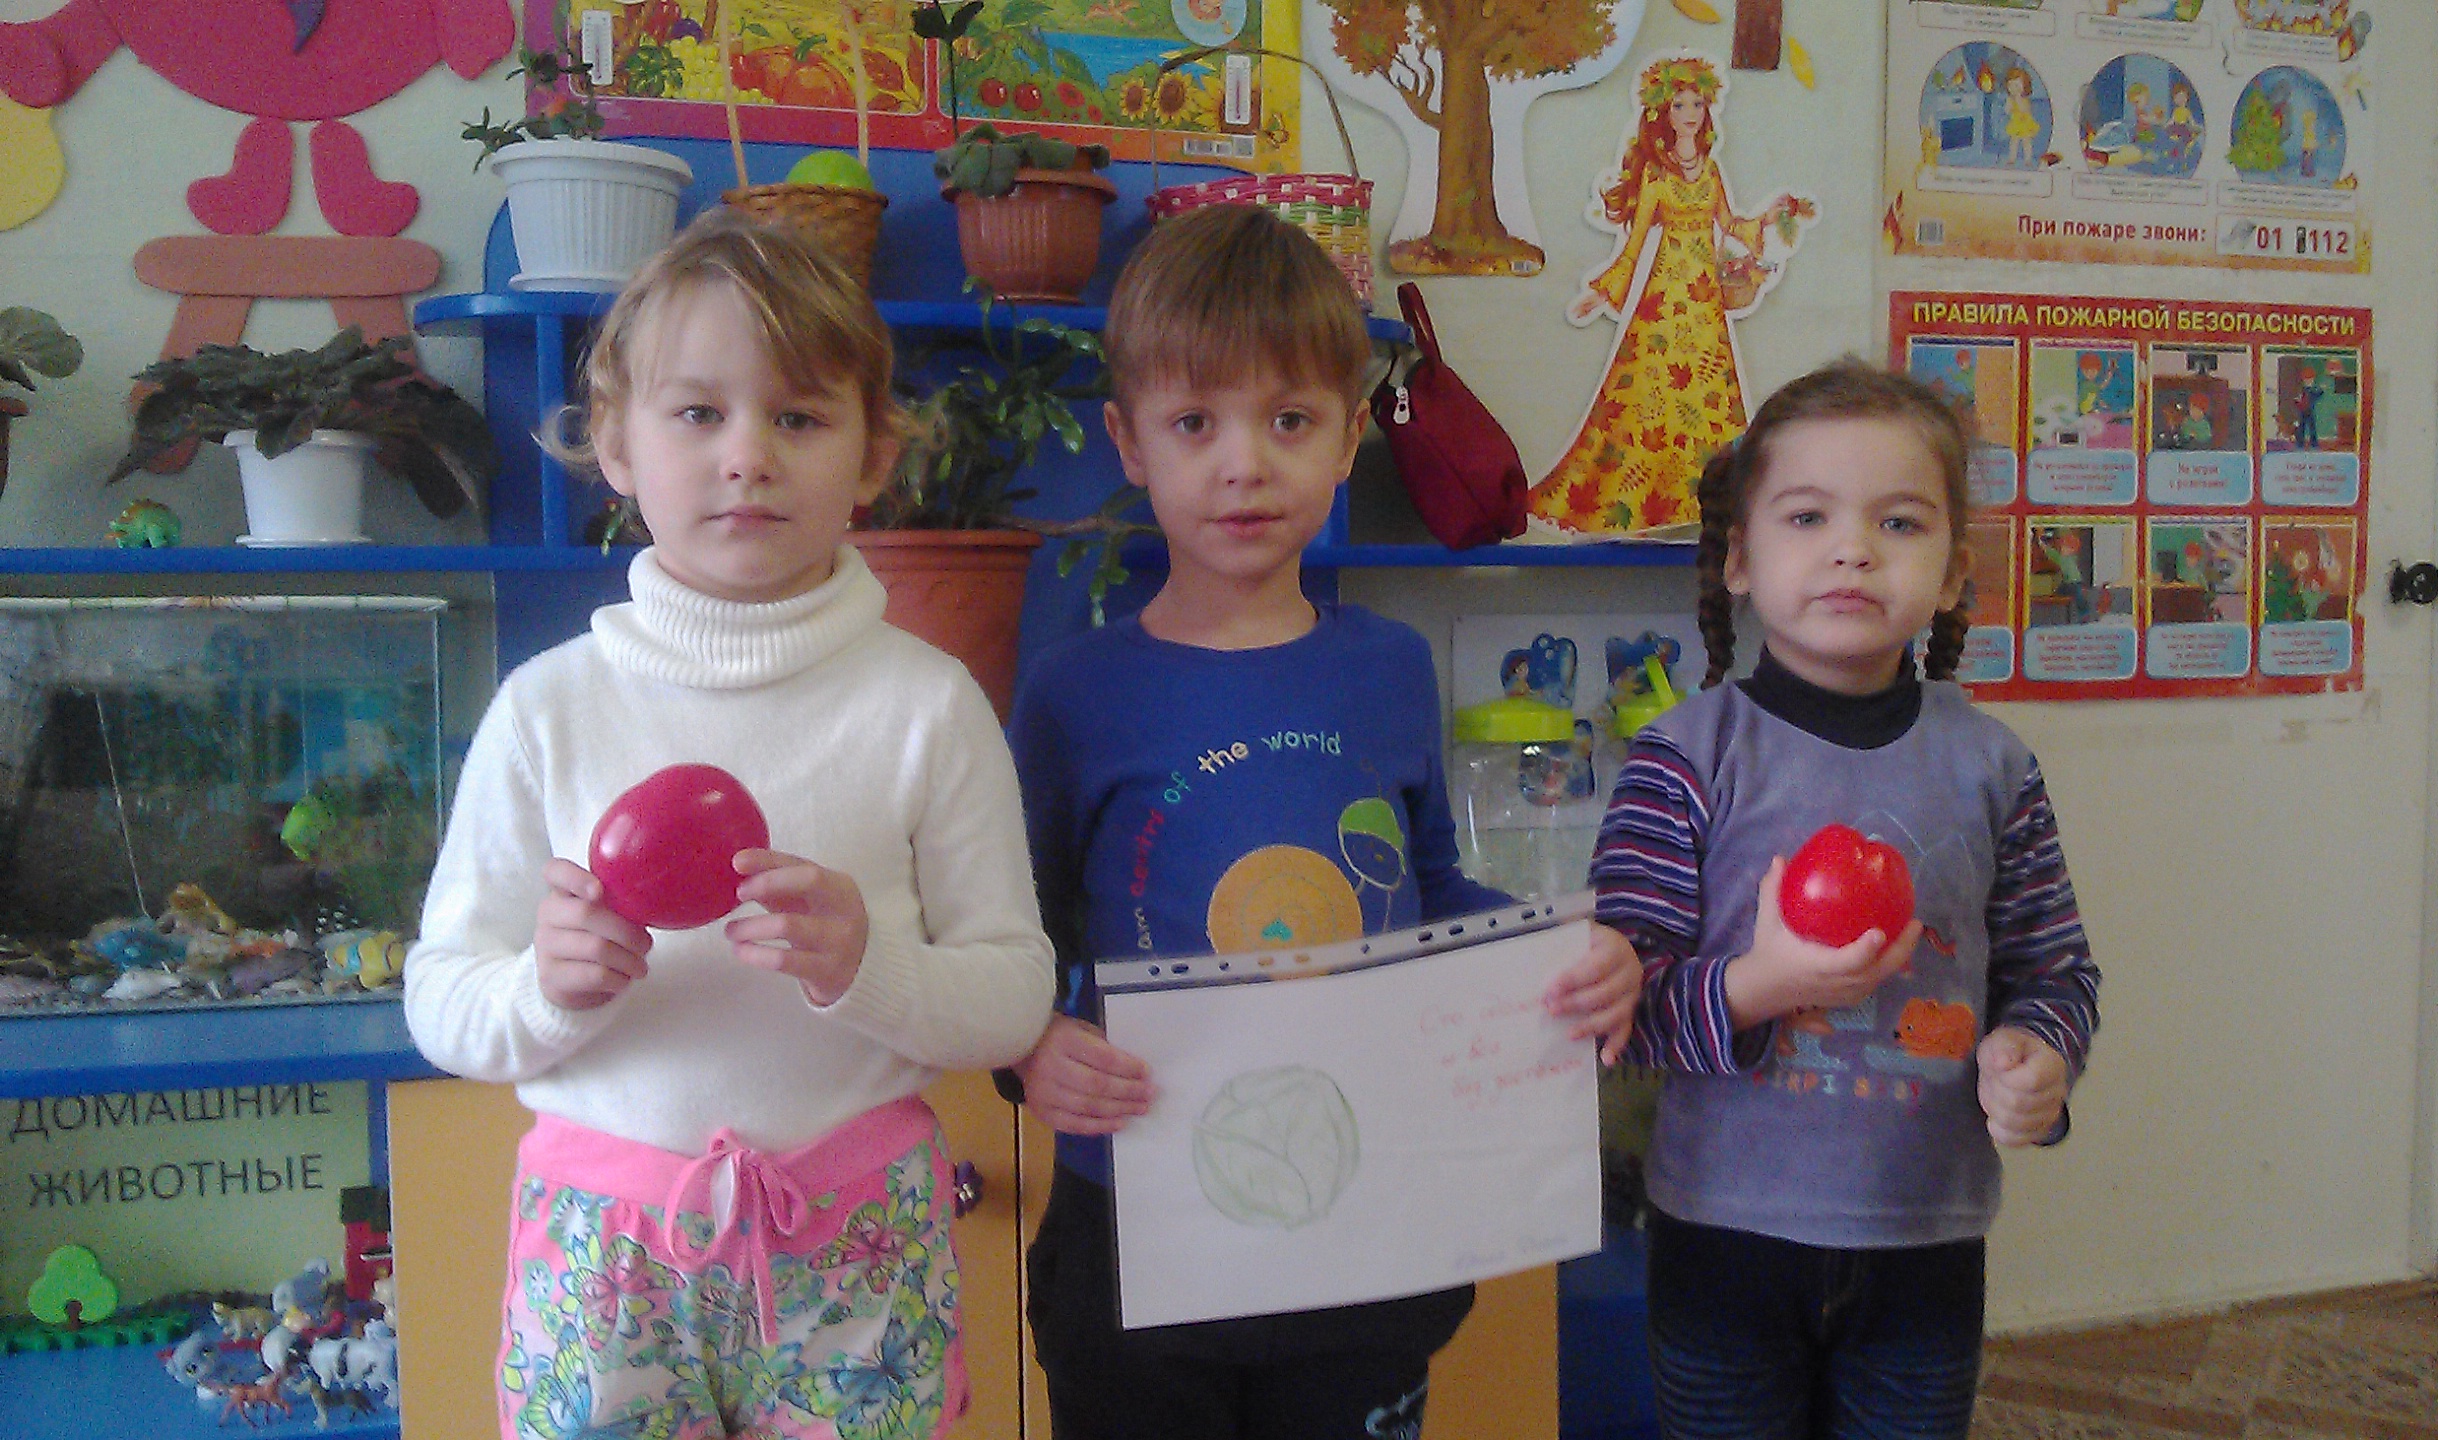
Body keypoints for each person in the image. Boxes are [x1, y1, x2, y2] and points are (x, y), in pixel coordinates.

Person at [402, 209, 1056, 1440]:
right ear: (615, 445)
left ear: (873, 455)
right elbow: (441, 1001)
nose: (747, 455)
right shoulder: (548, 709)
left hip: (857, 1240)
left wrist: (869, 968)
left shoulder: (927, 706)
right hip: (605, 1252)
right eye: (699, 413)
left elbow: (1014, 996)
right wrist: (543, 989)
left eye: (798, 418)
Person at [1003, 202, 1644, 1440]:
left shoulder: (1386, 668)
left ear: (1351, 436)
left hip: (1362, 1213)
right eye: (1195, 423)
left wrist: (1561, 950)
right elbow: (1017, 928)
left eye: (1289, 420)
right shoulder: (1075, 691)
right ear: (1128, 441)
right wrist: (1029, 1043)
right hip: (1137, 1221)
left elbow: (1429, 889)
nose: (1244, 463)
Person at [1590, 359, 2101, 1440]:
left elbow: (2053, 971)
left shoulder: (1994, 766)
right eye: (1807, 516)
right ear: (1739, 557)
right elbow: (1622, 1011)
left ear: (1954, 573)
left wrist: (2040, 1055)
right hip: (1720, 1237)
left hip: (1926, 1240)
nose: (1853, 548)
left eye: (1899, 522)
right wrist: (1762, 985)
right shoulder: (1682, 757)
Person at [1532, 54, 1815, 536]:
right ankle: (1639, 504)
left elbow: (1731, 226)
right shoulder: (1656, 176)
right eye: (1680, 105)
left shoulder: (1710, 170)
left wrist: (1767, 218)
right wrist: (1603, 292)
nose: (1690, 113)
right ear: (1662, 112)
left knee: (1707, 395)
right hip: (1664, 300)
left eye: (1697, 104)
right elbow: (1634, 243)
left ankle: (1704, 505)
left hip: (1704, 302)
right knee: (1647, 395)